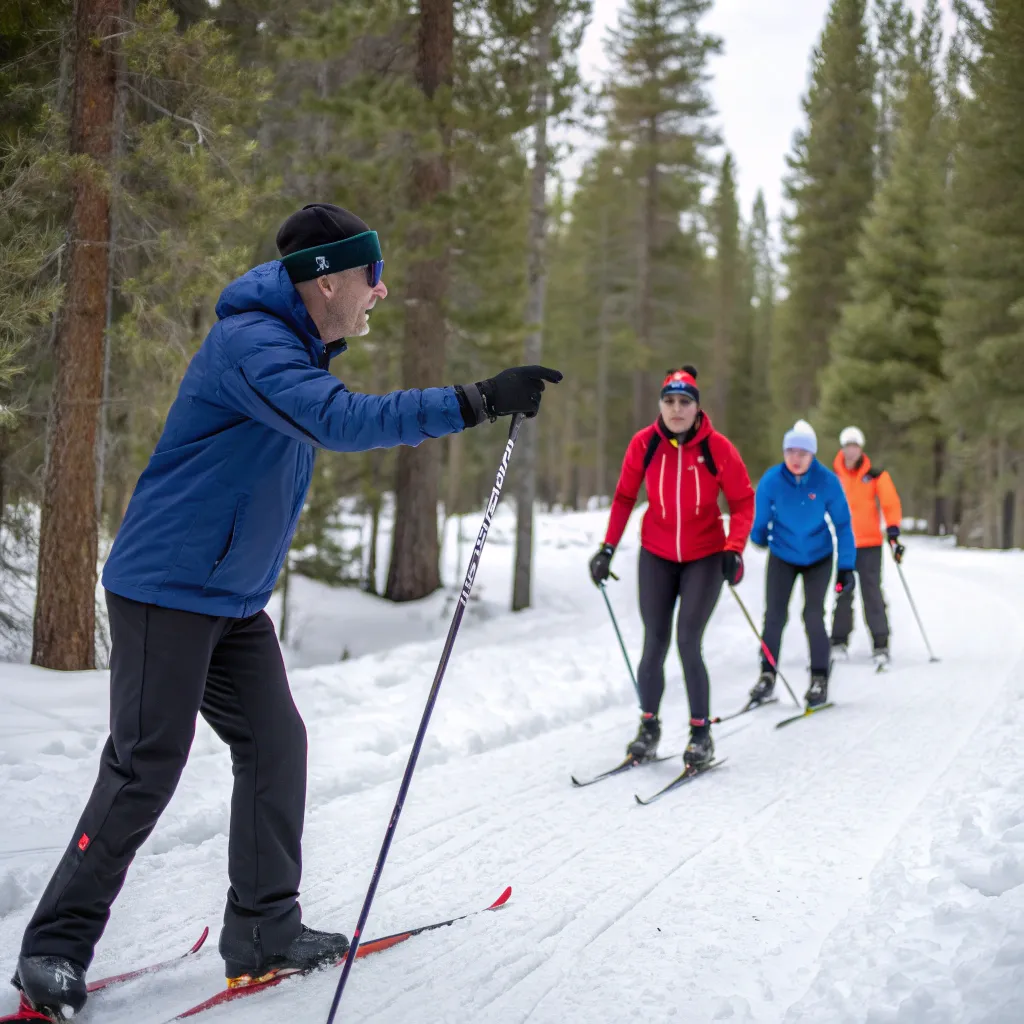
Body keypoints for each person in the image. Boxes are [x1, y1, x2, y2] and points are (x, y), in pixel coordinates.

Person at [12, 203, 562, 1019]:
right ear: (328, 280)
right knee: (145, 765)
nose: (381, 291)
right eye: (371, 277)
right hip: (166, 588)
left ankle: (266, 930)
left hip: (227, 597)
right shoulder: (254, 345)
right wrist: (474, 401)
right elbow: (342, 421)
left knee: (275, 743)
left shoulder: (293, 341)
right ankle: (51, 950)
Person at [588, 366, 754, 769]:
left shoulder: (717, 448)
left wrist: (734, 548)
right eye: (669, 401)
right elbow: (625, 497)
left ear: (697, 407)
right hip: (657, 555)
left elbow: (743, 501)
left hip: (705, 555)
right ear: (660, 405)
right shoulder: (644, 445)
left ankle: (701, 733)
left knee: (687, 641)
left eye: (684, 402)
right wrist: (607, 547)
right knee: (654, 643)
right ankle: (649, 728)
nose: (676, 409)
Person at [747, 420, 856, 710]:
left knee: (812, 616)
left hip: (818, 556)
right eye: (791, 452)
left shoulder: (827, 481)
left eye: (802, 453)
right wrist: (757, 536)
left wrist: (847, 566)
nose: (796, 459)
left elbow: (844, 525)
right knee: (774, 616)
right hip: (782, 554)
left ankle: (819, 677)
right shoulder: (771, 480)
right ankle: (767, 675)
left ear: (812, 455)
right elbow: (760, 517)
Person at [829, 425, 904, 665]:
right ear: (842, 449)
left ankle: (880, 643)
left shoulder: (874, 474)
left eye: (855, 447)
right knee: (843, 591)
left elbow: (890, 501)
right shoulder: (832, 476)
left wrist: (892, 529)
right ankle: (839, 641)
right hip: (845, 545)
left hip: (870, 543)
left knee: (872, 593)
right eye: (847, 447)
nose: (851, 452)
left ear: (860, 449)